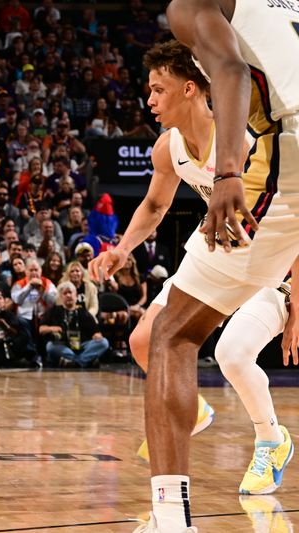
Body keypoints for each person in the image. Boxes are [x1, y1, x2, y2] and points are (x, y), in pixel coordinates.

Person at [86, 35, 298, 532]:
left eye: (158, 90)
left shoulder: (244, 138)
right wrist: (121, 249)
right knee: (145, 341)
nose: (150, 100)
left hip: (269, 259)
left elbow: (293, 218)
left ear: (188, 89)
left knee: (231, 354)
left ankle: (271, 440)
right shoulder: (169, 147)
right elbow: (155, 207)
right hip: (220, 248)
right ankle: (190, 413)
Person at [39, 281, 109, 367]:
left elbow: (96, 333)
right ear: (61, 297)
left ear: (76, 296)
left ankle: (74, 362)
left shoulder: (84, 312)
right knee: (50, 346)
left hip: (82, 345)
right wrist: (52, 328)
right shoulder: (54, 311)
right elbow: (41, 329)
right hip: (64, 345)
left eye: (70, 292)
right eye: (65, 293)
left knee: (104, 343)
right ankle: (84, 361)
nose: (68, 295)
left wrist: (97, 336)